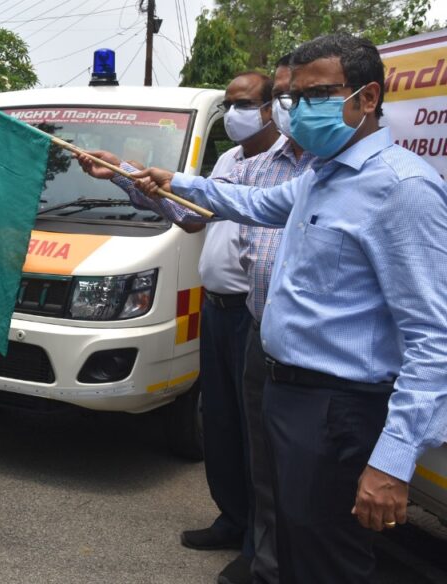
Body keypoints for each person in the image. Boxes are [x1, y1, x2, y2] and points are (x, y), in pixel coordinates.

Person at [121, 34, 447, 583]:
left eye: (318, 93)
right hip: (287, 394)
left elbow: (433, 339)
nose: (298, 109)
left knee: (329, 560)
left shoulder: (400, 188)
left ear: (367, 99)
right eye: (293, 96)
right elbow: (248, 202)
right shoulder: (321, 174)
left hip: (339, 409)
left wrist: (392, 461)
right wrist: (164, 181)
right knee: (292, 545)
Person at [81, 70, 281, 584]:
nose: (235, 111)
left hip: (256, 314)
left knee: (255, 434)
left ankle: (261, 545)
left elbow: (228, 208)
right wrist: (122, 175)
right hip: (217, 310)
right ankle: (232, 518)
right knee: (219, 421)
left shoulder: (286, 166)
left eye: (245, 103)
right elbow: (190, 216)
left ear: (269, 108)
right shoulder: (229, 160)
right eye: (230, 102)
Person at [232, 54, 318, 584]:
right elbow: (205, 204)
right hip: (259, 337)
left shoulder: (343, 173)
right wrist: (132, 177)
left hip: (321, 361)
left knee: (313, 488)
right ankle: (265, 568)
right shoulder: (259, 168)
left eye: (305, 96)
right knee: (263, 472)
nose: (293, 107)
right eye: (287, 95)